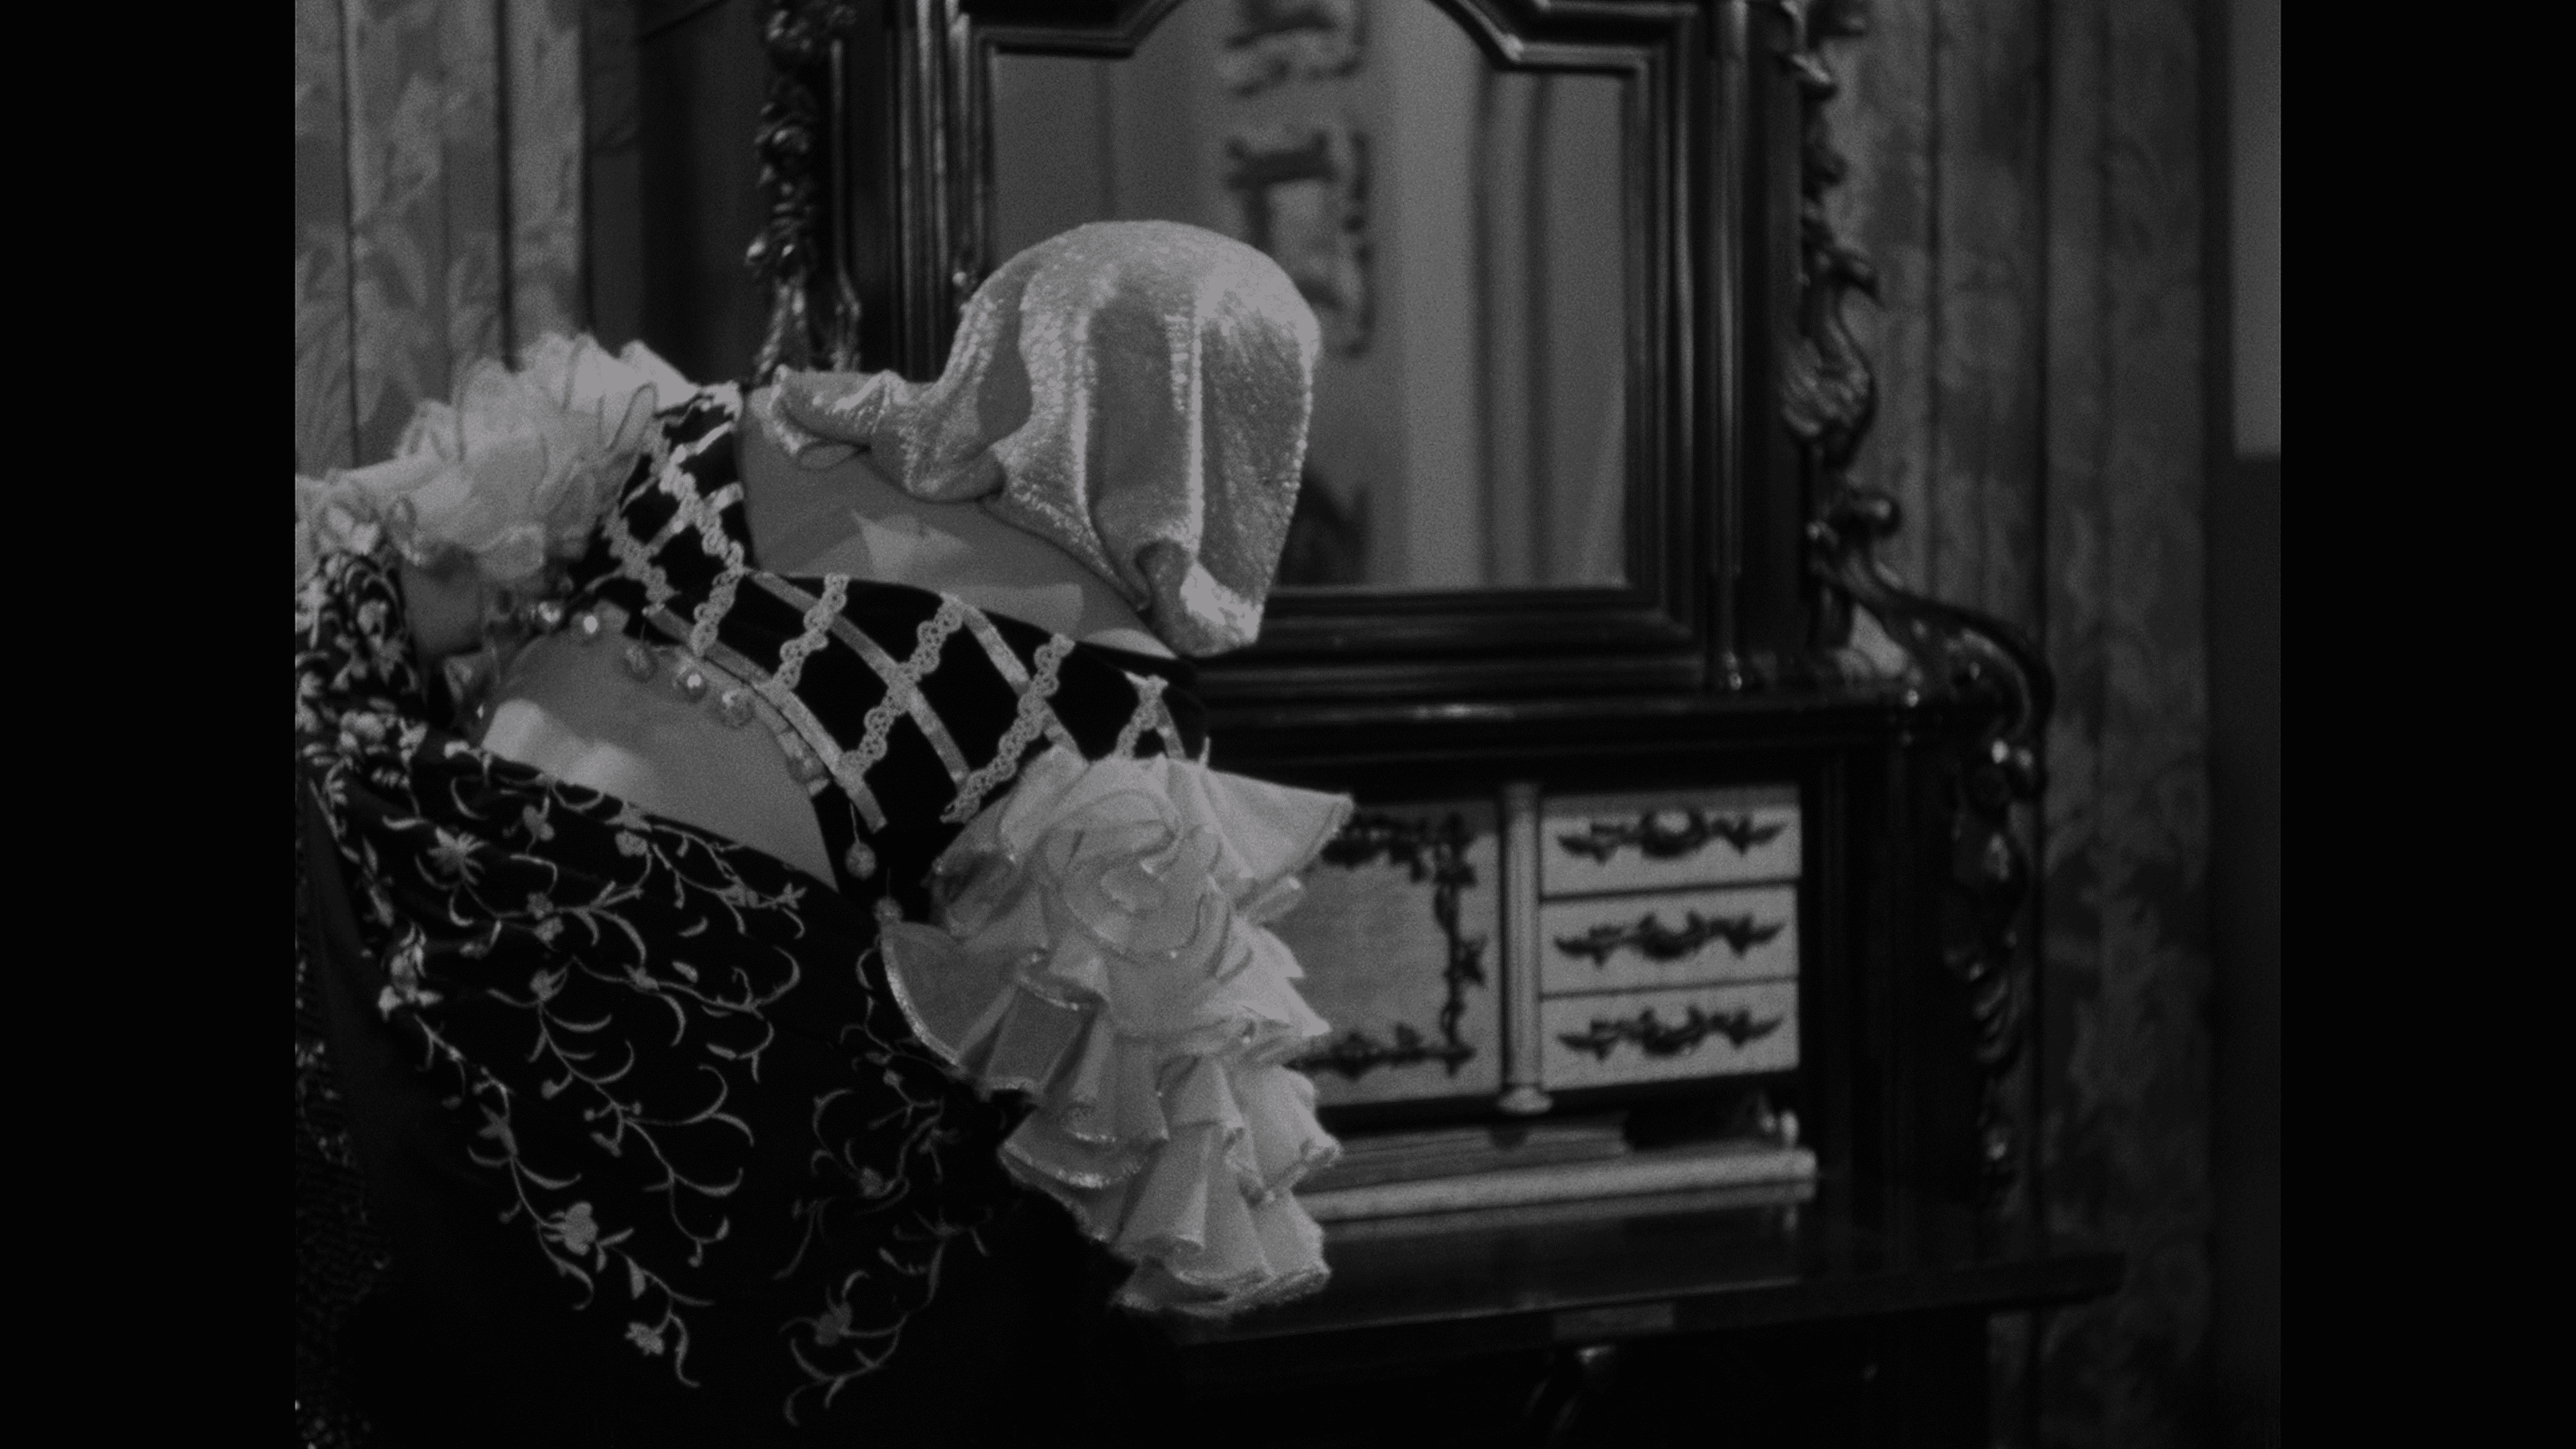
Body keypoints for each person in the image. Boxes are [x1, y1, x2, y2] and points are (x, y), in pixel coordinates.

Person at [295, 221, 1349, 1446]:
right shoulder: (1116, 693)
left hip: (390, 914)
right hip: (645, 1135)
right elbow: (1113, 1118)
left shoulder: (701, 421)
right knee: (1038, 1277)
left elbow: (407, 569)